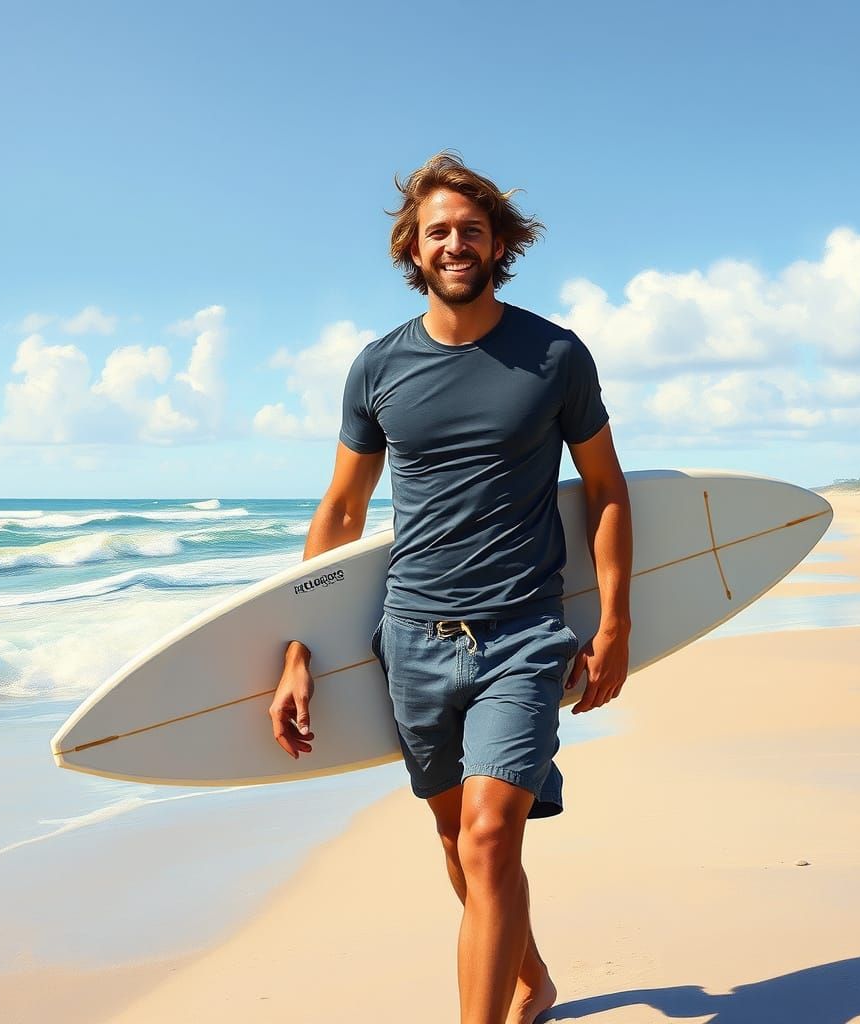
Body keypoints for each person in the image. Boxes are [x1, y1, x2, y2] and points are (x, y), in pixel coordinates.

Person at [268, 152, 632, 1024]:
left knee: (488, 832)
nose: (456, 243)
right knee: (456, 841)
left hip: (523, 635)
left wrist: (616, 621)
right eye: (439, 231)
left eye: (472, 229)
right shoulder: (377, 368)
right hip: (413, 637)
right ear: (415, 248)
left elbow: (609, 490)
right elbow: (341, 515)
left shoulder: (554, 355)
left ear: (499, 242)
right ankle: (529, 981)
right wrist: (295, 647)